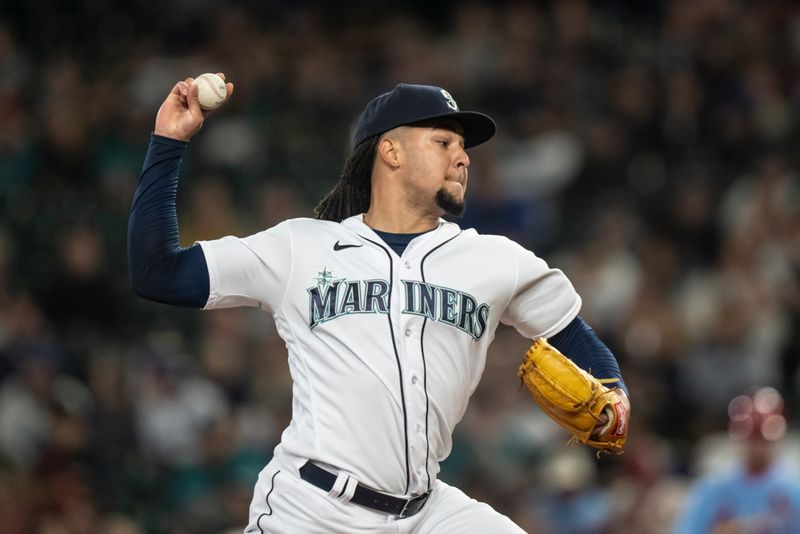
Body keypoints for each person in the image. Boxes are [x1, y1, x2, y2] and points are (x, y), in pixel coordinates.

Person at [128, 74, 631, 533]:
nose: (463, 156)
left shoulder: (494, 260)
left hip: (427, 512)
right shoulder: (300, 248)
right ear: (390, 152)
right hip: (310, 510)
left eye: (462, 146)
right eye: (443, 142)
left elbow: (571, 335)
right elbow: (158, 273)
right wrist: (168, 142)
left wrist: (616, 398)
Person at [672, 387, 800, 534]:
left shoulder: (795, 487)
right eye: (752, 439)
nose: (757, 447)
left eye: (762, 440)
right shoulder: (712, 488)